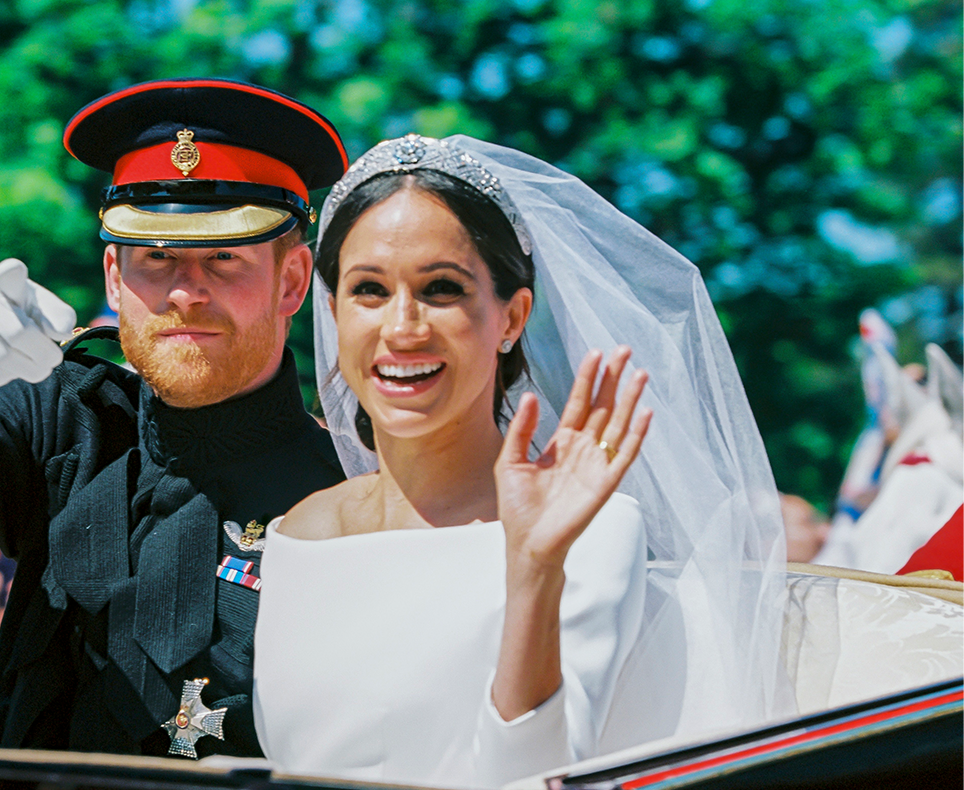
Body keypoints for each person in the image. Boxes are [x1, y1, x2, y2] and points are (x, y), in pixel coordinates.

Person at [0, 78, 349, 756]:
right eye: (155, 258)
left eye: (224, 258)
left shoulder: (346, 491)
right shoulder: (70, 421)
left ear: (293, 282)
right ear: (113, 278)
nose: (186, 292)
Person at [252, 135, 795, 789]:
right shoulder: (300, 532)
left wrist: (535, 567)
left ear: (512, 317)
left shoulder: (591, 530)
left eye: (442, 289)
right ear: (333, 310)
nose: (402, 327)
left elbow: (535, 780)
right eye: (369, 290)